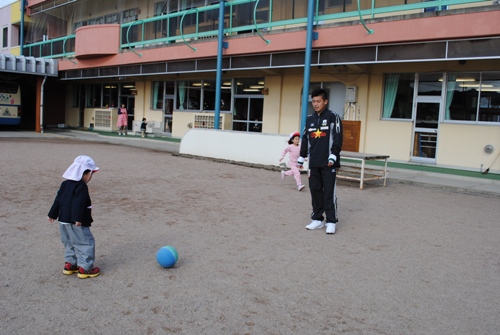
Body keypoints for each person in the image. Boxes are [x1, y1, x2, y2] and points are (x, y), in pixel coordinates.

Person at [298, 88, 343, 234]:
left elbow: (337, 136)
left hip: (329, 162)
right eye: (314, 101)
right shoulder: (310, 119)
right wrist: (301, 156)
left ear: (325, 101)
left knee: (328, 192)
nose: (315, 104)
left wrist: (333, 155)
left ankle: (331, 221)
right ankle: (317, 219)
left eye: (318, 101)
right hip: (314, 162)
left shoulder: (332, 116)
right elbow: (305, 138)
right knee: (315, 191)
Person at [47, 155, 101, 279]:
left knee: (69, 242)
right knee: (85, 243)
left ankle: (70, 264)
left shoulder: (65, 184)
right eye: (90, 173)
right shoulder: (81, 186)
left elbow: (58, 200)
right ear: (83, 173)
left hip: (63, 221)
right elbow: (79, 203)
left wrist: (52, 214)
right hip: (76, 222)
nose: (91, 177)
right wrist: (78, 218)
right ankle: (85, 268)